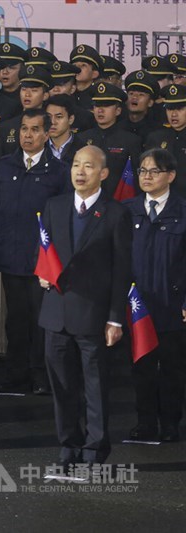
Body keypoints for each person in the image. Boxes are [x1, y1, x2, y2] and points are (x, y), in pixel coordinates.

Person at [38, 145, 132, 467]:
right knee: (62, 387)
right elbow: (43, 250)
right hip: (56, 313)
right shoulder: (54, 206)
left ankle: (94, 449)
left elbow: (122, 272)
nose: (80, 171)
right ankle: (69, 445)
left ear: (103, 174)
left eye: (88, 166)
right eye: (76, 164)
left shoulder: (116, 213)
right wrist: (41, 274)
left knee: (95, 388)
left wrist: (115, 319)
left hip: (94, 316)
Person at [0, 109, 69, 395]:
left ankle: (41, 374)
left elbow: (61, 219)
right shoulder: (6, 166)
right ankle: (16, 373)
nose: (27, 135)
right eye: (24, 129)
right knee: (15, 319)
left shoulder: (59, 171)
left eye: (35, 129)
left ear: (47, 134)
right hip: (11, 257)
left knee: (41, 320)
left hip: (42, 262)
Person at [124, 149, 186, 443]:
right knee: (141, 368)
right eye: (142, 171)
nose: (146, 177)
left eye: (154, 171)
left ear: (171, 176)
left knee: (172, 368)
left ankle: (171, 423)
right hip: (138, 307)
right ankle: (145, 422)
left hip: (173, 304)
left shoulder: (183, 212)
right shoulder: (127, 210)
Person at [76, 81, 142, 197]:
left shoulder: (131, 141)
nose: (100, 110)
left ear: (118, 111)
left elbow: (135, 179)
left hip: (119, 202)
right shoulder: (82, 138)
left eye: (106, 106)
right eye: (97, 105)